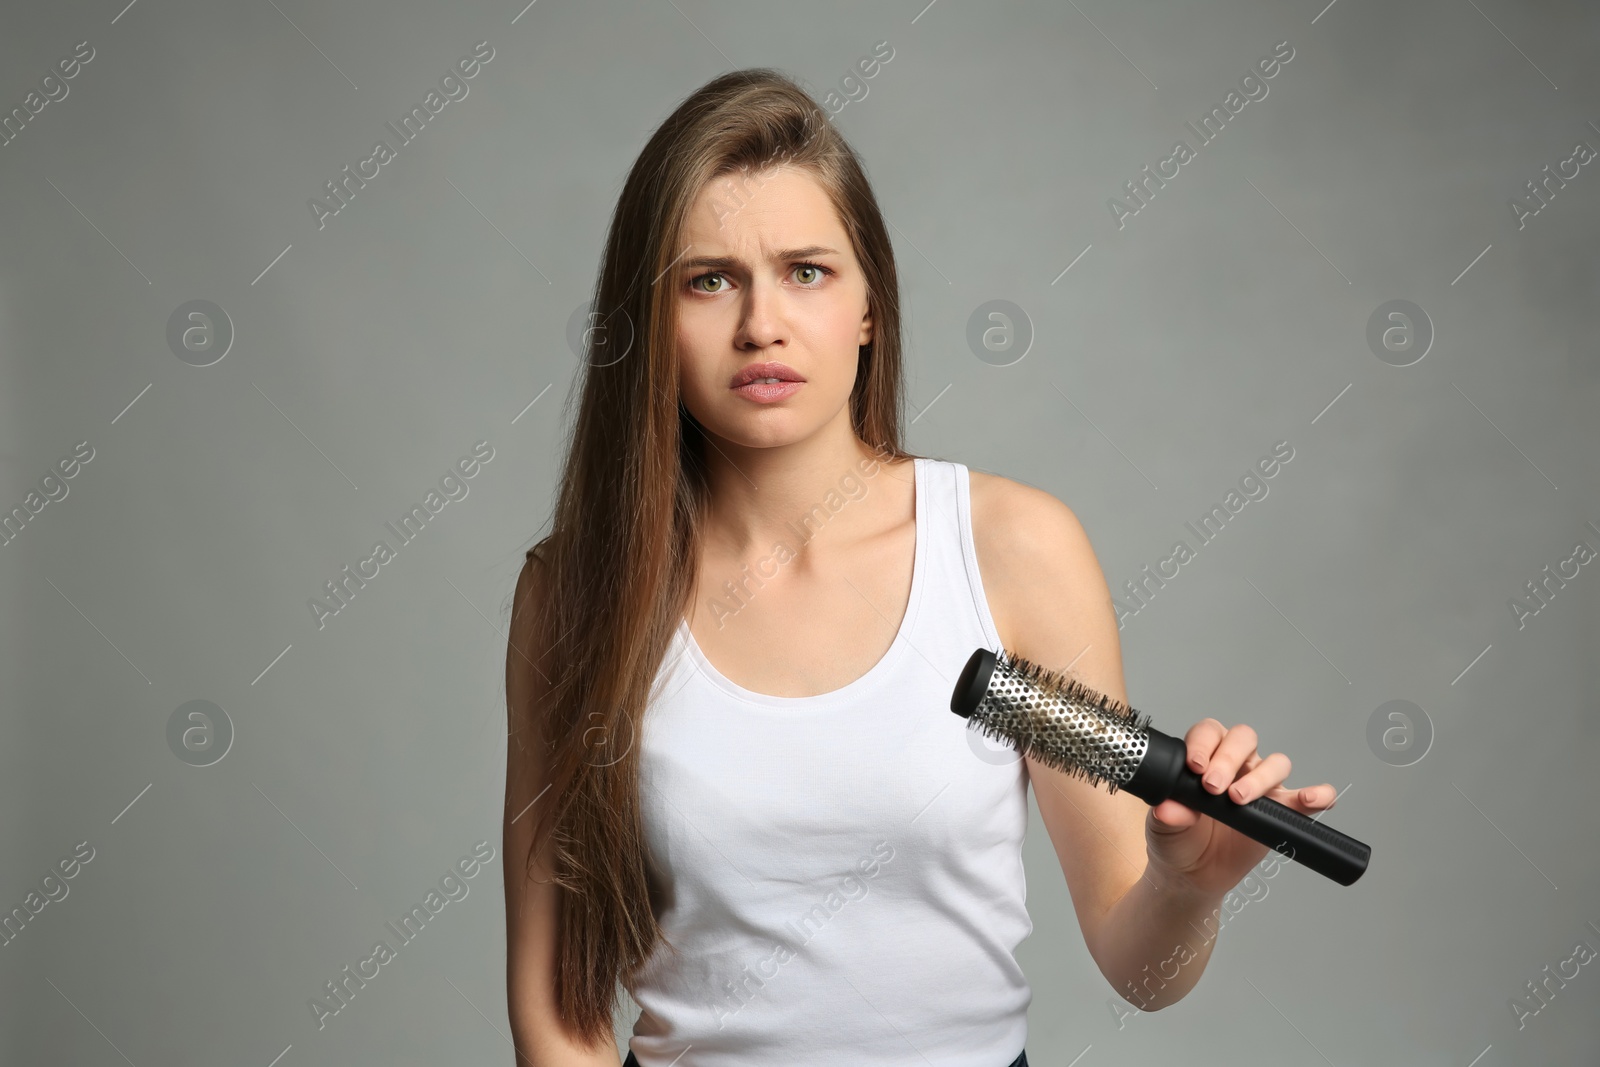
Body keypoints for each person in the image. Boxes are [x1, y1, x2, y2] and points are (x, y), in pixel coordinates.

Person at [502, 68, 1337, 1067]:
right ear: (652, 321)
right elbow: (559, 1015)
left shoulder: (1011, 549)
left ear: (867, 307)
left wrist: (1185, 888)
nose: (761, 322)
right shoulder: (574, 593)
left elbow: (1139, 970)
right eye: (708, 278)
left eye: (806, 270)